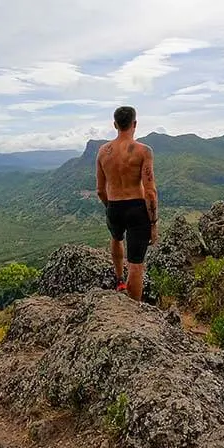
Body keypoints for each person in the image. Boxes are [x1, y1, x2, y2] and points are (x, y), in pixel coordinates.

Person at [96, 106, 159, 301]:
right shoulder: (143, 151)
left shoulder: (103, 152)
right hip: (136, 208)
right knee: (136, 264)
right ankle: (134, 309)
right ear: (135, 124)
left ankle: (119, 280)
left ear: (115, 125)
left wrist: (110, 207)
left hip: (114, 205)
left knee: (116, 238)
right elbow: (150, 191)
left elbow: (99, 189)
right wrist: (153, 223)